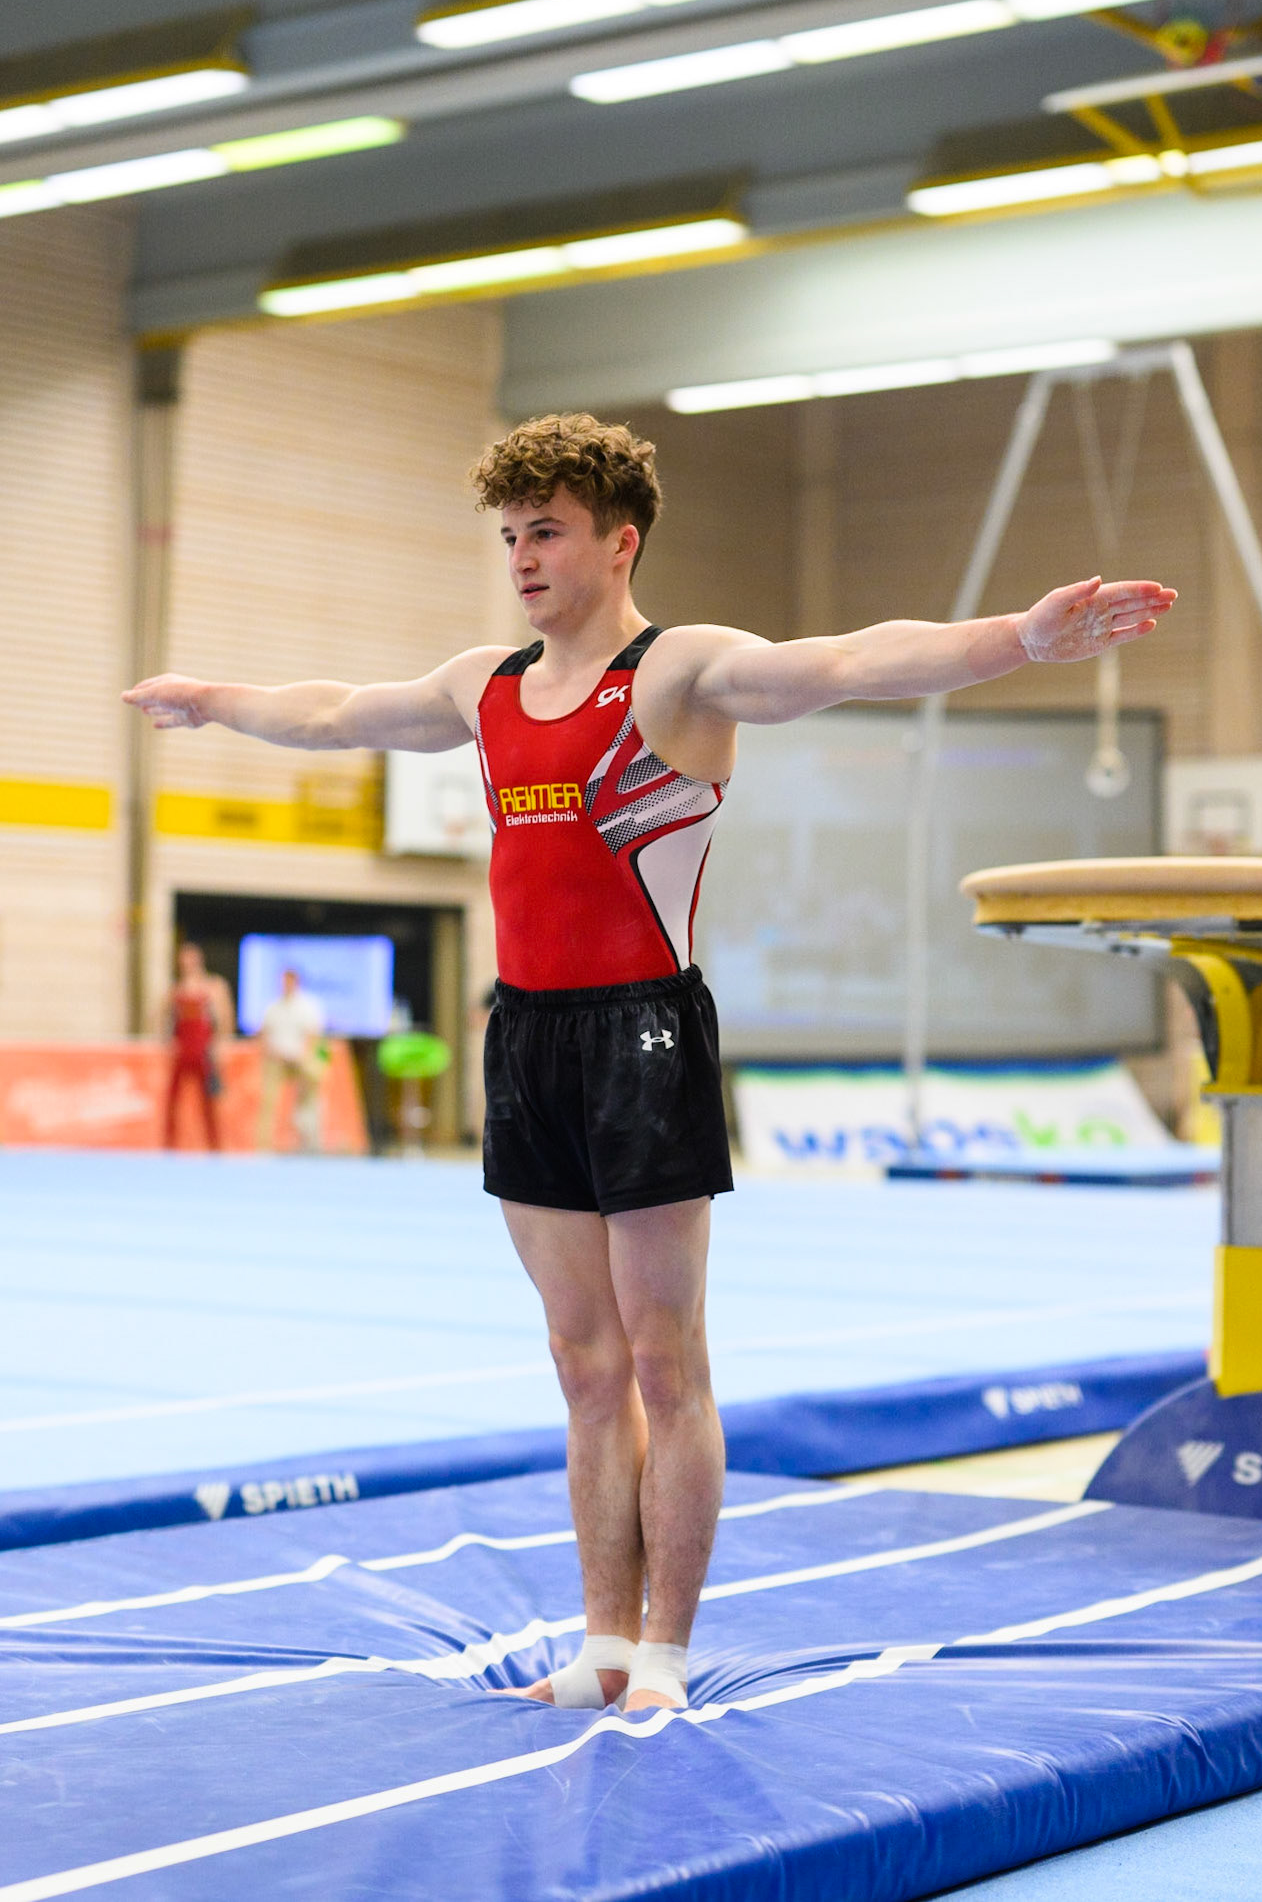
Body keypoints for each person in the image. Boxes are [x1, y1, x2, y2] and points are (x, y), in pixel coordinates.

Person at [124, 412, 1175, 1711]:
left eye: (547, 532)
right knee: (583, 1362)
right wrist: (211, 702)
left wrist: (1021, 637)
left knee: (665, 1360)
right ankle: (602, 1643)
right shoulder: (483, 685)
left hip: (645, 1030)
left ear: (618, 542)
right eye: (510, 535)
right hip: (526, 1037)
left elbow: (848, 660)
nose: (521, 557)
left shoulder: (682, 672)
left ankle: (666, 1653)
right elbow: (341, 714)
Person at [163, 941, 233, 1151]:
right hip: (182, 1049)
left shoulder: (212, 986)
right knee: (173, 1099)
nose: (187, 963)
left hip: (203, 1050)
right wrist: (168, 1041)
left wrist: (220, 1044)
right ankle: (169, 1145)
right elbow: (165, 1017)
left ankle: (214, 1146)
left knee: (208, 1102)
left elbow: (224, 1017)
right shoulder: (176, 989)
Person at [258, 967, 327, 1153]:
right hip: (277, 1060)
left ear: (296, 983)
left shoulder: (307, 1007)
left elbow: (313, 1037)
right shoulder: (273, 1008)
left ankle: (311, 1140)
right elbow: (264, 1036)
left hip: (300, 1059)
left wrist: (302, 1056)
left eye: (288, 981)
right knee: (267, 1099)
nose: (285, 985)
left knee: (314, 1078)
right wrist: (275, 1053)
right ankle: (263, 1146)